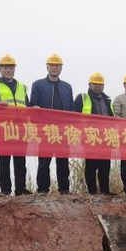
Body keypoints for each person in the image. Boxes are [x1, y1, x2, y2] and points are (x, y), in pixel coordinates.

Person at [0, 54, 30, 195]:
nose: (8, 70)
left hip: (20, 129)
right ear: (0, 70)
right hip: (3, 129)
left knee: (20, 161)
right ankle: (5, 190)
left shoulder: (22, 87)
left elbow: (26, 105)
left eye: (11, 67)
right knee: (4, 161)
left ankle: (21, 189)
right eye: (5, 68)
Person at [30, 54, 74, 195]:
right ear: (47, 67)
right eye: (52, 65)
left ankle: (64, 189)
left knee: (63, 162)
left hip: (63, 130)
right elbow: (33, 105)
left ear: (61, 68)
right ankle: (42, 189)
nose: (55, 68)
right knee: (44, 162)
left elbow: (71, 109)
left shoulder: (67, 87)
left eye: (57, 65)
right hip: (45, 130)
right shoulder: (38, 85)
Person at [74, 72, 114, 195]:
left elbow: (112, 117)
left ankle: (105, 191)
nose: (97, 86)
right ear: (89, 85)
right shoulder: (82, 98)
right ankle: (92, 191)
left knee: (105, 166)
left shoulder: (107, 100)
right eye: (95, 84)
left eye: (100, 84)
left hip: (105, 138)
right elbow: (75, 116)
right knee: (91, 165)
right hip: (90, 137)